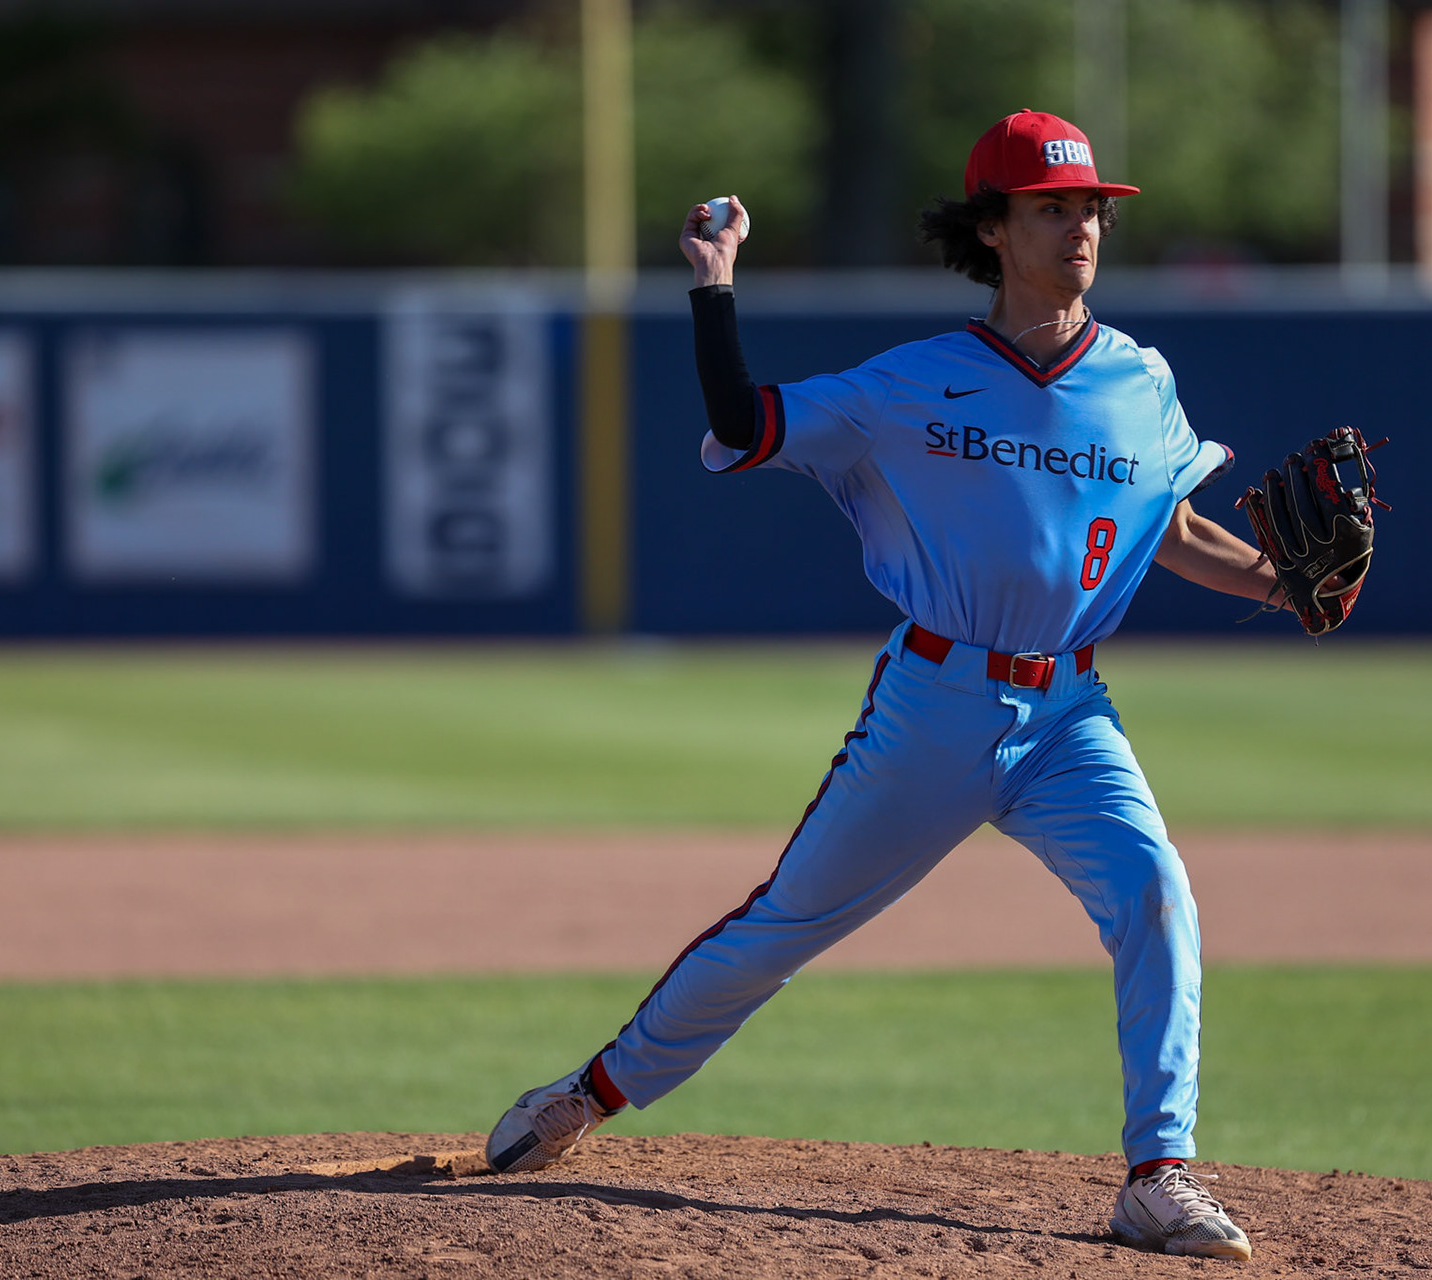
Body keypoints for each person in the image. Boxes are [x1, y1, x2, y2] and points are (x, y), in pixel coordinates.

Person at [486, 108, 1277, 1263]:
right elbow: (743, 424)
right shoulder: (914, 384)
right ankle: (590, 1093)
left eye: (1092, 208)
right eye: (1053, 207)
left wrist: (1286, 586)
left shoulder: (1139, 382)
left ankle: (1158, 1173)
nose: (1083, 228)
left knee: (1157, 893)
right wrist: (715, 286)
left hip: (1069, 713)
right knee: (782, 926)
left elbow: (1180, 525)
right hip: (935, 707)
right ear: (994, 229)